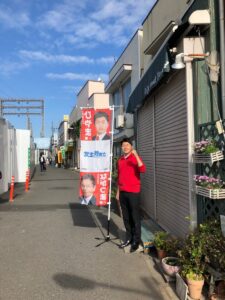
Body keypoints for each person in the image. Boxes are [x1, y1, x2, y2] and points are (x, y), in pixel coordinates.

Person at [116, 137, 146, 253]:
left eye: (127, 145)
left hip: (133, 192)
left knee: (135, 217)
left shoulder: (134, 158)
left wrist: (136, 155)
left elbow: (142, 169)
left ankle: (136, 241)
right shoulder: (120, 160)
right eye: (123, 146)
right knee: (126, 217)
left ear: (131, 147)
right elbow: (120, 177)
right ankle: (128, 238)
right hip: (123, 192)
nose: (125, 147)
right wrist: (118, 192)